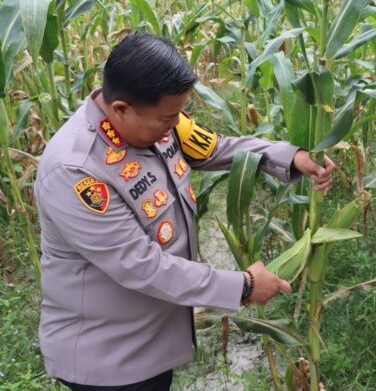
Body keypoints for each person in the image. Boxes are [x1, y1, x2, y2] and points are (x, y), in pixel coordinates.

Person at [35, 33, 336, 390]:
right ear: (120, 109)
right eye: (166, 119)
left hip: (151, 340)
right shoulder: (76, 171)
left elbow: (215, 148)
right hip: (110, 359)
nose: (174, 125)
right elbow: (143, 266)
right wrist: (243, 286)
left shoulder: (157, 120)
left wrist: (290, 156)